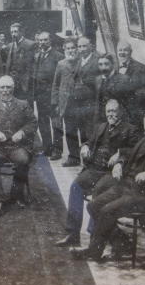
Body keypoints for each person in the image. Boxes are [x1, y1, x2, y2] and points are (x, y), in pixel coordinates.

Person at [73, 109, 145, 262]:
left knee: (106, 211)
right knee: (93, 205)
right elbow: (129, 155)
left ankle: (93, 252)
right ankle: (123, 244)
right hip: (126, 187)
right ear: (144, 125)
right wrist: (119, 163)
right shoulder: (143, 141)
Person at [55, 100, 139, 248]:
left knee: (98, 191)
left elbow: (135, 151)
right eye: (108, 111)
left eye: (114, 111)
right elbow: (89, 141)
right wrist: (85, 147)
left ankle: (95, 234)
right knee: (76, 186)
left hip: (111, 172)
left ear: (120, 112)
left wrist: (120, 156)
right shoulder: (101, 127)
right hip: (94, 169)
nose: (111, 114)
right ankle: (72, 234)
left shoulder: (130, 129)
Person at [0, 75, 37, 217]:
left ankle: (16, 195)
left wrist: (22, 133)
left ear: (13, 88)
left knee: (23, 160)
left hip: (17, 147)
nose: (5, 90)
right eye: (2, 87)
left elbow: (33, 123)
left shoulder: (23, 104)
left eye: (8, 87)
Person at [63, 36, 100, 166]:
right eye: (79, 46)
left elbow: (97, 83)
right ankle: (73, 157)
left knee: (87, 132)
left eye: (84, 46)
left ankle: (88, 160)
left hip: (88, 103)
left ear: (91, 46)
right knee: (71, 130)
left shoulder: (97, 61)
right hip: (74, 103)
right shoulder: (78, 60)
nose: (82, 49)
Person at [29, 31, 64, 160]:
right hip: (40, 96)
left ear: (50, 41)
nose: (42, 43)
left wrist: (57, 97)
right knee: (43, 122)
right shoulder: (37, 55)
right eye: (40, 40)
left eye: (45, 40)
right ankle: (47, 148)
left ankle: (57, 150)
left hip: (52, 95)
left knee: (56, 122)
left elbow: (60, 79)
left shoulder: (58, 56)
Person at [105, 41, 145, 123]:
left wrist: (129, 101)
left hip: (133, 112)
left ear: (131, 52)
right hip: (115, 112)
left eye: (125, 50)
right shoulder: (113, 68)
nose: (122, 53)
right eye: (120, 50)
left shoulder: (141, 68)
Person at [51, 39, 79, 163]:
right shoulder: (61, 64)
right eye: (68, 48)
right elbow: (56, 84)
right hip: (65, 102)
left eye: (73, 48)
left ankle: (79, 157)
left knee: (76, 130)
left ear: (76, 49)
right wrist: (55, 102)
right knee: (64, 128)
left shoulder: (81, 62)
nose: (71, 51)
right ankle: (65, 154)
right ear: (64, 50)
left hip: (78, 101)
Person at [3, 22, 36, 97]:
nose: (13, 34)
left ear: (21, 32)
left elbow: (31, 66)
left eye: (15, 31)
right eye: (11, 32)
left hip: (24, 82)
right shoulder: (9, 46)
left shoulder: (30, 44)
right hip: (12, 81)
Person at [92, 53, 115, 125]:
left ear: (113, 64)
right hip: (101, 119)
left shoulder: (123, 79)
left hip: (115, 117)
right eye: (100, 64)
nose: (103, 67)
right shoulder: (97, 79)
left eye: (106, 64)